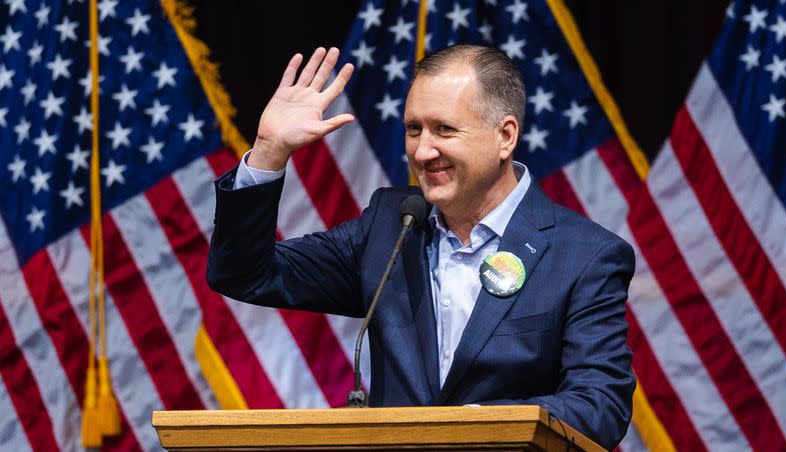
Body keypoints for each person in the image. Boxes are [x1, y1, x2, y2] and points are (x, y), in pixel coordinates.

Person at [207, 44, 636, 449]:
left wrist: (475, 429)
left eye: (444, 130)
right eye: (414, 129)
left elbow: (601, 403)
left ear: (505, 136)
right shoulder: (391, 226)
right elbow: (246, 273)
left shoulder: (584, 255)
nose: (423, 151)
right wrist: (268, 151)